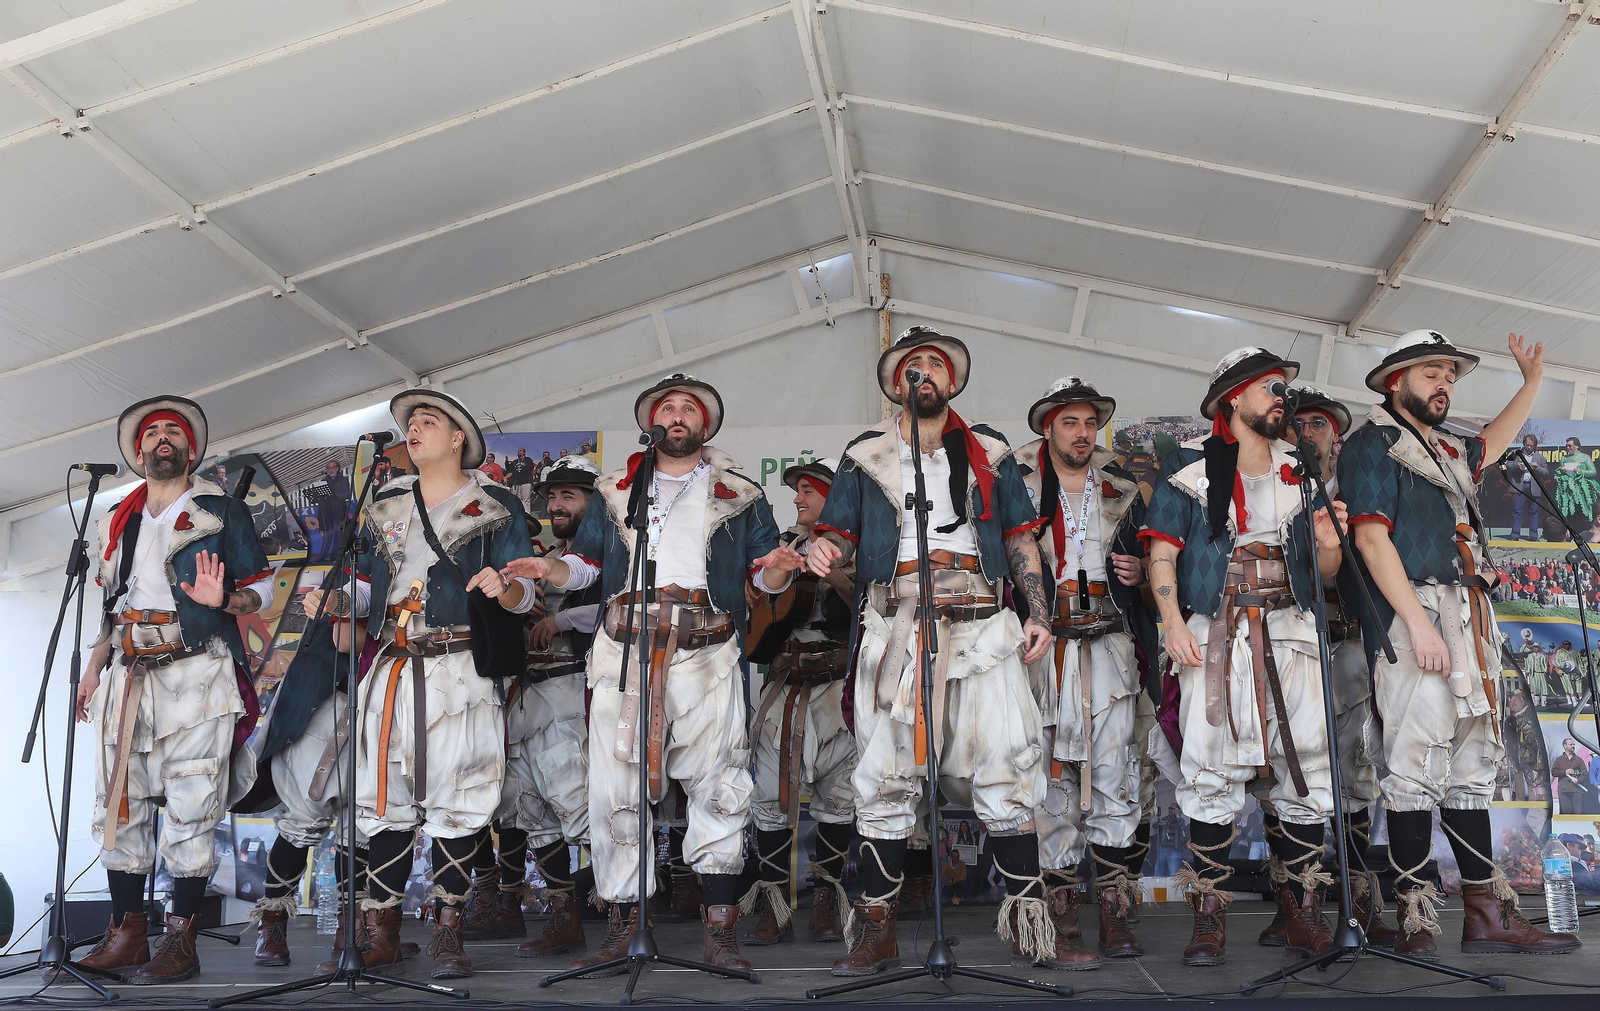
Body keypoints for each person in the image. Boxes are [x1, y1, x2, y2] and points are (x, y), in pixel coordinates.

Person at [505, 373, 801, 975]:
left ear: (705, 425)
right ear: (651, 421)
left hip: (708, 647)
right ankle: (623, 926)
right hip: (625, 648)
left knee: (719, 785)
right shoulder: (616, 490)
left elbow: (764, 576)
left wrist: (779, 571)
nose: (676, 415)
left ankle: (720, 933)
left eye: (688, 409)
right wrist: (551, 569)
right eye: (665, 407)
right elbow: (585, 568)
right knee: (616, 786)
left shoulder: (741, 493)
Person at [805, 328, 1061, 976]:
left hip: (980, 620)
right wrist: (822, 550)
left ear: (952, 382)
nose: (924, 374)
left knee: (1007, 761)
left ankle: (1031, 921)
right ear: (898, 383)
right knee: (886, 775)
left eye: (935, 366)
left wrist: (1039, 612)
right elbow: (834, 533)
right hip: (897, 624)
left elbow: (1022, 540)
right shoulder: (865, 456)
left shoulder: (991, 453)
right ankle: (879, 926)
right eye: (912, 366)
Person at [1339, 329, 1579, 957]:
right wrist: (1417, 626)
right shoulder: (1370, 445)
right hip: (1412, 612)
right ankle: (1417, 918)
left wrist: (1531, 384)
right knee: (1414, 763)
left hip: (1466, 612)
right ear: (1397, 382)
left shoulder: (1445, 449)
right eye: (1431, 374)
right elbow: (1370, 541)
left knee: (1472, 764)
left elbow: (1492, 445)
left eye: (1449, 374)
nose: (1444, 384)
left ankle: (1483, 915)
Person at [295, 389, 540, 978]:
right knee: (384, 802)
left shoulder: (497, 504)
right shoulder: (381, 503)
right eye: (409, 422)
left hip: (458, 666)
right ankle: (380, 931)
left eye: (428, 421)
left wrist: (500, 587)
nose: (413, 428)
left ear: (458, 439)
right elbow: (368, 587)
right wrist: (332, 597)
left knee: (459, 799)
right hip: (394, 664)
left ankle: (448, 932)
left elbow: (526, 593)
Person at [1141, 347, 1347, 965]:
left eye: (1284, 387)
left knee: (1305, 769)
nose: (1281, 397)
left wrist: (1329, 544)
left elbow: (1327, 573)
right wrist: (1173, 621)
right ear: (1234, 398)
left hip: (1292, 629)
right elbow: (1161, 556)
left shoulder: (1303, 471)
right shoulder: (1190, 472)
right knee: (1209, 775)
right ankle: (1210, 920)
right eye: (1268, 388)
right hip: (1217, 635)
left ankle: (1300, 912)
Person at [75, 396, 276, 983]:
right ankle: (128, 933)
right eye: (152, 433)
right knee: (121, 802)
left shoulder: (220, 511)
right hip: (127, 672)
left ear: (190, 450)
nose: (162, 438)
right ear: (139, 452)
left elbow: (261, 591)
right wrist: (94, 666)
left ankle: (181, 939)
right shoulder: (123, 517)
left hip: (196, 672)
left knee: (192, 805)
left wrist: (226, 601)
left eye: (174, 432)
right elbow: (112, 607)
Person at [1015, 377, 1156, 967]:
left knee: (1117, 776)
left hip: (1112, 646)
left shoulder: (1126, 486)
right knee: (1049, 784)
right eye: (1069, 422)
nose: (1082, 432)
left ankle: (1117, 915)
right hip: (1044, 650)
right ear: (1047, 427)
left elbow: (1160, 563)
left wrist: (1141, 572)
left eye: (1089, 422)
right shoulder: (1015, 484)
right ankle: (1060, 916)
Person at [1252, 387, 1398, 948]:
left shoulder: (1361, 492)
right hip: (1292, 646)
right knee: (1292, 772)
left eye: (1319, 424)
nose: (1308, 431)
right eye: (1299, 423)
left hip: (1350, 644)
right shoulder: (1280, 495)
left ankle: (1360, 905)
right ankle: (1293, 904)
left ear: (1337, 436)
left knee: (1357, 774)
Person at [463, 455, 604, 957]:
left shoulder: (615, 551)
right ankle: (563, 919)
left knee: (585, 807)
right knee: (531, 810)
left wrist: (563, 621)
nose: (556, 504)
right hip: (525, 696)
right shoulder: (541, 556)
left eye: (570, 495)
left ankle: (631, 920)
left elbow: (629, 602)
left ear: (595, 501)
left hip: (574, 695)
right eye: (552, 496)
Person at [741, 458, 860, 949]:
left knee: (839, 797)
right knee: (770, 798)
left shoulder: (863, 549)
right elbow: (751, 602)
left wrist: (831, 574)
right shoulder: (781, 546)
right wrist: (774, 576)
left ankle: (828, 900)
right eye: (798, 493)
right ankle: (773, 906)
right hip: (784, 687)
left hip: (837, 685)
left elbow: (875, 603)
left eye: (809, 492)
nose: (799, 500)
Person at [1503, 434, 1548, 540]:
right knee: (1517, 511)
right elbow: (1508, 464)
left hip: (1534, 487)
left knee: (1534, 512)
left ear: (1535, 446)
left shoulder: (1540, 457)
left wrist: (1538, 469)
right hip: (1519, 486)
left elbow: (1546, 472)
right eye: (1527, 445)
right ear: (1523, 444)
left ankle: (1533, 536)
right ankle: (1515, 534)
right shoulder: (1516, 453)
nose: (1529, 447)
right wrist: (1516, 466)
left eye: (1531, 446)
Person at [315, 458, 351, 560]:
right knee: (328, 536)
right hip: (327, 512)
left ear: (338, 468)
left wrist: (333, 495)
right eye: (329, 467)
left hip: (339, 512)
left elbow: (347, 494)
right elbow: (320, 499)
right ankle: (322, 558)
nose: (331, 469)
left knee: (339, 536)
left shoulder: (343, 480)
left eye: (333, 467)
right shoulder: (323, 481)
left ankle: (335, 557)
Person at [1551, 739, 1590, 817]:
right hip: (1564, 791)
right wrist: (1565, 772)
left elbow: (1585, 773)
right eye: (1571, 744)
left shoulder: (1579, 760)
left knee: (1578, 814)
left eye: (1573, 744)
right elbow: (1554, 772)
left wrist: (1578, 780)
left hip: (1577, 791)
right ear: (1565, 746)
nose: (1573, 746)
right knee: (1565, 814)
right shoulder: (1559, 760)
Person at [506, 447, 539, 514]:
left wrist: (524, 465)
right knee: (518, 499)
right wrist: (506, 462)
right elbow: (510, 469)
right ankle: (519, 513)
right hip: (517, 482)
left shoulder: (528, 460)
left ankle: (527, 513)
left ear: (524, 452)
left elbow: (531, 468)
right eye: (518, 451)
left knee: (526, 498)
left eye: (520, 451)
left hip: (526, 481)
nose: (519, 452)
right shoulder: (515, 461)